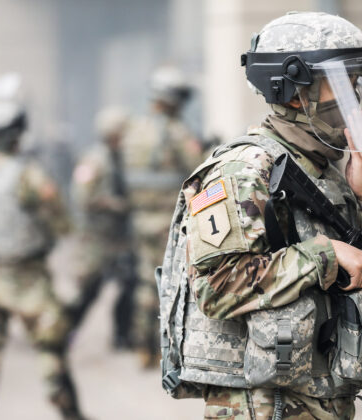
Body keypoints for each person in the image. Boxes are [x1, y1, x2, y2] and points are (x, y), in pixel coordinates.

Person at [163, 12, 362, 418]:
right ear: (290, 92)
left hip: (325, 400)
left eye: (355, 85)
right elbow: (217, 287)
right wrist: (323, 255)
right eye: (339, 85)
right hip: (264, 405)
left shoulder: (329, 172)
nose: (352, 100)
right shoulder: (244, 171)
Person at [0, 99, 85, 420]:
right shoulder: (29, 175)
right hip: (28, 279)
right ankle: (67, 409)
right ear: (16, 135)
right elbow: (64, 222)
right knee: (51, 347)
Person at [123, 65, 205, 367]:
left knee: (145, 281)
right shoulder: (175, 132)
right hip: (167, 220)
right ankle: (163, 348)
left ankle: (141, 345)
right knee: (168, 282)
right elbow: (198, 166)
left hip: (140, 217)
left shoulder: (134, 128)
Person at [68, 106, 137, 349]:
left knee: (130, 286)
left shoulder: (123, 158)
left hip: (121, 237)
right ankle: (66, 331)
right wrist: (112, 204)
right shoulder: (94, 160)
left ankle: (122, 335)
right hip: (97, 238)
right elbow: (81, 196)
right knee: (89, 290)